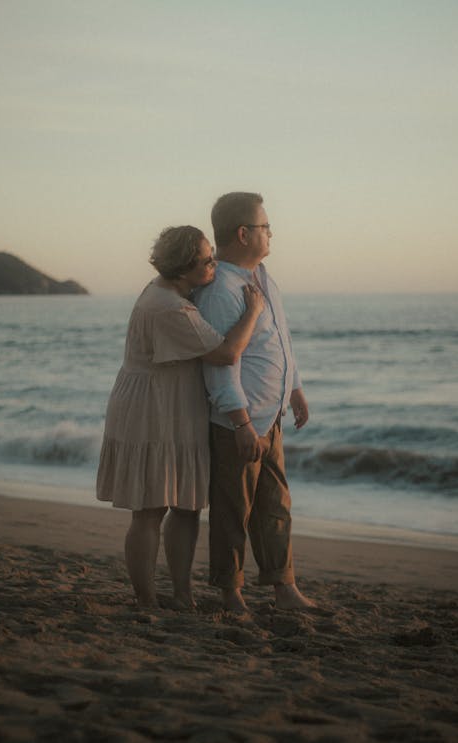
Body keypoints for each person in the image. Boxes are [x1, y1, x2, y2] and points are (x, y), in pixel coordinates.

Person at [96, 225, 264, 609]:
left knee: (187, 503)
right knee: (150, 509)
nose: (214, 266)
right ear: (183, 269)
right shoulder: (170, 307)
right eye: (206, 261)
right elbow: (226, 354)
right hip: (152, 410)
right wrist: (252, 311)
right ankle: (148, 599)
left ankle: (182, 594)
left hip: (175, 406)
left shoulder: (166, 290)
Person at [195, 192, 316, 613]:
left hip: (272, 416)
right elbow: (220, 366)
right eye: (265, 226)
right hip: (239, 423)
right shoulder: (219, 291)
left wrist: (295, 388)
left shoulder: (264, 278)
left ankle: (285, 589)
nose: (271, 233)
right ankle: (230, 593)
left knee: (276, 505)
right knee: (234, 511)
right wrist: (241, 422)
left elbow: (281, 340)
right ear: (243, 233)